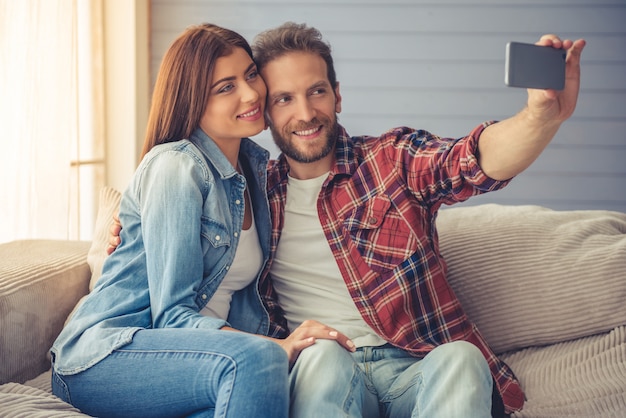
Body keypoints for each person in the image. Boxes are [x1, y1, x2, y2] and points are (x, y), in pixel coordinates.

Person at [109, 22, 585, 418]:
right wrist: (121, 233)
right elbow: (184, 243)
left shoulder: (389, 161)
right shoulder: (252, 195)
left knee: (463, 358)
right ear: (265, 112)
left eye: (317, 92)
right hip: (322, 367)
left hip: (413, 367)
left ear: (337, 96)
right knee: (321, 361)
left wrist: (539, 116)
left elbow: (472, 159)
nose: (305, 113)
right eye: (284, 99)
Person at [50, 23, 352, 418]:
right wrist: (276, 347)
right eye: (225, 87)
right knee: (259, 360)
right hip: (108, 354)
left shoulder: (257, 172)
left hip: (197, 363)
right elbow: (172, 315)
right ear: (192, 100)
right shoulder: (177, 166)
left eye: (250, 75)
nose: (251, 93)